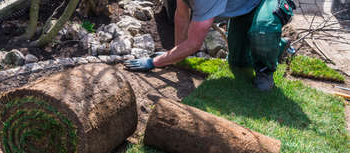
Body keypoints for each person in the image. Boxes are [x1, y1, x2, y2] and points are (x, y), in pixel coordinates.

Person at [124, 0, 295, 91]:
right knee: (238, 63)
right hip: (245, 6)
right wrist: (175, 55)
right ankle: (272, 46)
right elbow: (181, 16)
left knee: (262, 32)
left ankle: (267, 66)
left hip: (268, 2)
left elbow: (193, 44)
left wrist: (155, 62)